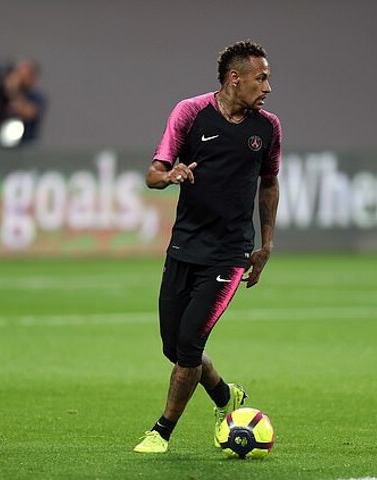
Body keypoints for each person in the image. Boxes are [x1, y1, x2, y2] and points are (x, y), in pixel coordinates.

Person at [133, 40, 282, 454]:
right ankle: (224, 396)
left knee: (190, 347)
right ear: (235, 78)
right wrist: (170, 176)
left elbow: (269, 184)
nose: (268, 88)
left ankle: (161, 431)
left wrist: (266, 244)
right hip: (184, 247)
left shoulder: (268, 128)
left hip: (229, 254)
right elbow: (152, 174)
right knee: (173, 346)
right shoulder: (190, 113)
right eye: (261, 78)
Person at [1, 59, 46, 146]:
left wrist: (13, 91)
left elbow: (29, 113)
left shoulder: (37, 97)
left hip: (26, 144)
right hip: (4, 144)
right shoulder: (4, 95)